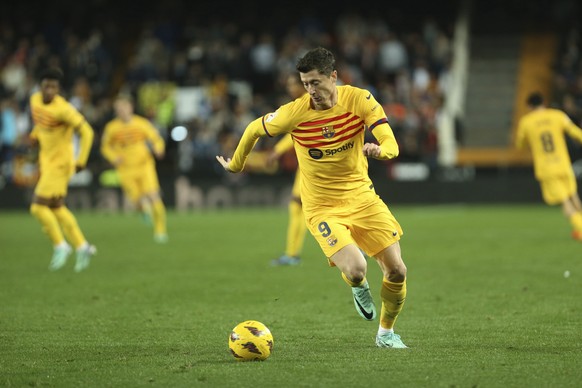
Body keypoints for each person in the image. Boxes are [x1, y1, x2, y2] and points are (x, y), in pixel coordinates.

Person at [217, 47, 408, 348]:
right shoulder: (295, 112)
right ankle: (357, 285)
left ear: (333, 77)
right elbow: (255, 128)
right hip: (322, 207)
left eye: (315, 82)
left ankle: (386, 334)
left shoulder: (359, 99)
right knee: (357, 269)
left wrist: (381, 151)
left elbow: (390, 142)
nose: (310, 90)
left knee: (397, 270)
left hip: (363, 198)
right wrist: (237, 164)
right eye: (305, 84)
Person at [28, 67, 97, 272]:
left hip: (61, 164)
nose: (50, 90)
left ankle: (60, 246)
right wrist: (34, 136)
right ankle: (82, 247)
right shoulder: (34, 100)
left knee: (38, 207)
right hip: (47, 161)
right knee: (57, 208)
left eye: (54, 87)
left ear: (58, 89)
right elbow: (41, 124)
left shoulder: (64, 109)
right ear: (40, 86)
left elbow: (87, 132)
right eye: (47, 86)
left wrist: (81, 160)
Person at [101, 94, 168, 243]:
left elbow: (155, 138)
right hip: (125, 169)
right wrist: (113, 157)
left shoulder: (141, 123)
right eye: (119, 109)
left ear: (130, 107)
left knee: (153, 196)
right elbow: (105, 147)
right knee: (136, 201)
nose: (122, 111)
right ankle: (143, 211)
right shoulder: (111, 128)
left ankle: (160, 230)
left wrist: (158, 148)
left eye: (124, 108)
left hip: (144, 166)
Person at [516, 91, 582, 240]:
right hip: (564, 164)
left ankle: (580, 229)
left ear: (529, 106)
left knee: (565, 201)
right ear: (543, 103)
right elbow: (575, 132)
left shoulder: (526, 122)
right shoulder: (558, 115)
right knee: (574, 197)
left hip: (546, 168)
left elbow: (520, 144)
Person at [268, 74, 309, 266]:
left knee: (298, 206)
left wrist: (277, 151)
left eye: (293, 84)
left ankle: (292, 254)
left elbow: (293, 135)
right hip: (307, 165)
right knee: (299, 208)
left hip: (312, 166)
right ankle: (292, 253)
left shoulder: (305, 104)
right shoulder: (307, 103)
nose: (290, 88)